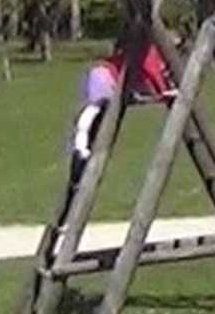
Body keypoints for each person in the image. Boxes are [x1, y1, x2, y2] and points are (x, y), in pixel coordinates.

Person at [61, 38, 174, 215]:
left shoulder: (152, 54)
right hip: (106, 77)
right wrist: (162, 92)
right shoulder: (151, 51)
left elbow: (149, 79)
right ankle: (81, 149)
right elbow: (151, 72)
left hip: (109, 79)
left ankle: (81, 152)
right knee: (94, 109)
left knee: (95, 116)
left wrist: (159, 93)